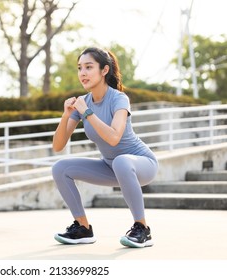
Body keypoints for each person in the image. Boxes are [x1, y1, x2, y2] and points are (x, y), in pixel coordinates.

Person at [51, 47, 158, 248]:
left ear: (104, 70)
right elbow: (58, 146)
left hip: (141, 164)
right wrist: (66, 115)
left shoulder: (118, 99)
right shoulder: (83, 103)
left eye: (89, 67)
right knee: (60, 168)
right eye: (80, 68)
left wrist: (88, 112)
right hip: (111, 167)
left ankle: (142, 228)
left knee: (122, 161)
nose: (82, 73)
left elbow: (114, 138)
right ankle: (83, 228)